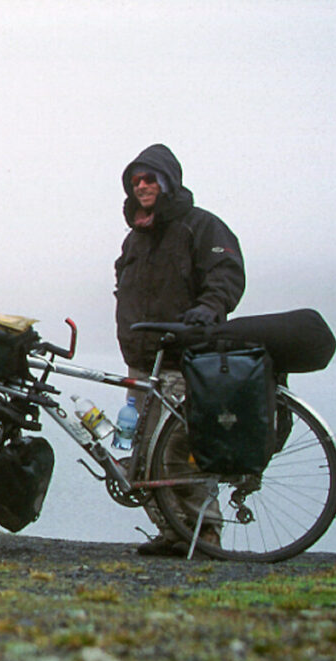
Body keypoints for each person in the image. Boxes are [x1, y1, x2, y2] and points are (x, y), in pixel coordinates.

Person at [113, 144, 245, 557]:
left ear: (168, 181)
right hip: (143, 363)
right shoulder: (135, 238)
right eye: (135, 180)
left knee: (177, 451)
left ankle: (205, 534)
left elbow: (226, 274)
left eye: (149, 178)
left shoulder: (201, 226)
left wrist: (209, 308)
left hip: (184, 359)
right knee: (143, 456)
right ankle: (173, 532)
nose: (141, 186)